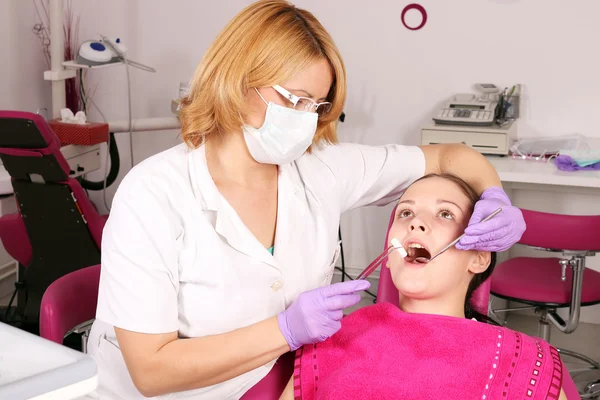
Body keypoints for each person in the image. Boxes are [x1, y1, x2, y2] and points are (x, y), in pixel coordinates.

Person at [87, 1, 526, 399]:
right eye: (293, 100)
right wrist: (286, 330)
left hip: (282, 381)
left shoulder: (320, 169)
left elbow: (454, 156)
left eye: (316, 106)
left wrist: (495, 196)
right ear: (237, 79)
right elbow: (151, 371)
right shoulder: (153, 195)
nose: (304, 121)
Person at [281, 174, 568, 400]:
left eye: (445, 214)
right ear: (389, 259)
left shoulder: (523, 361)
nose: (416, 222)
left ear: (479, 258)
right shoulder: (331, 340)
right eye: (405, 213)